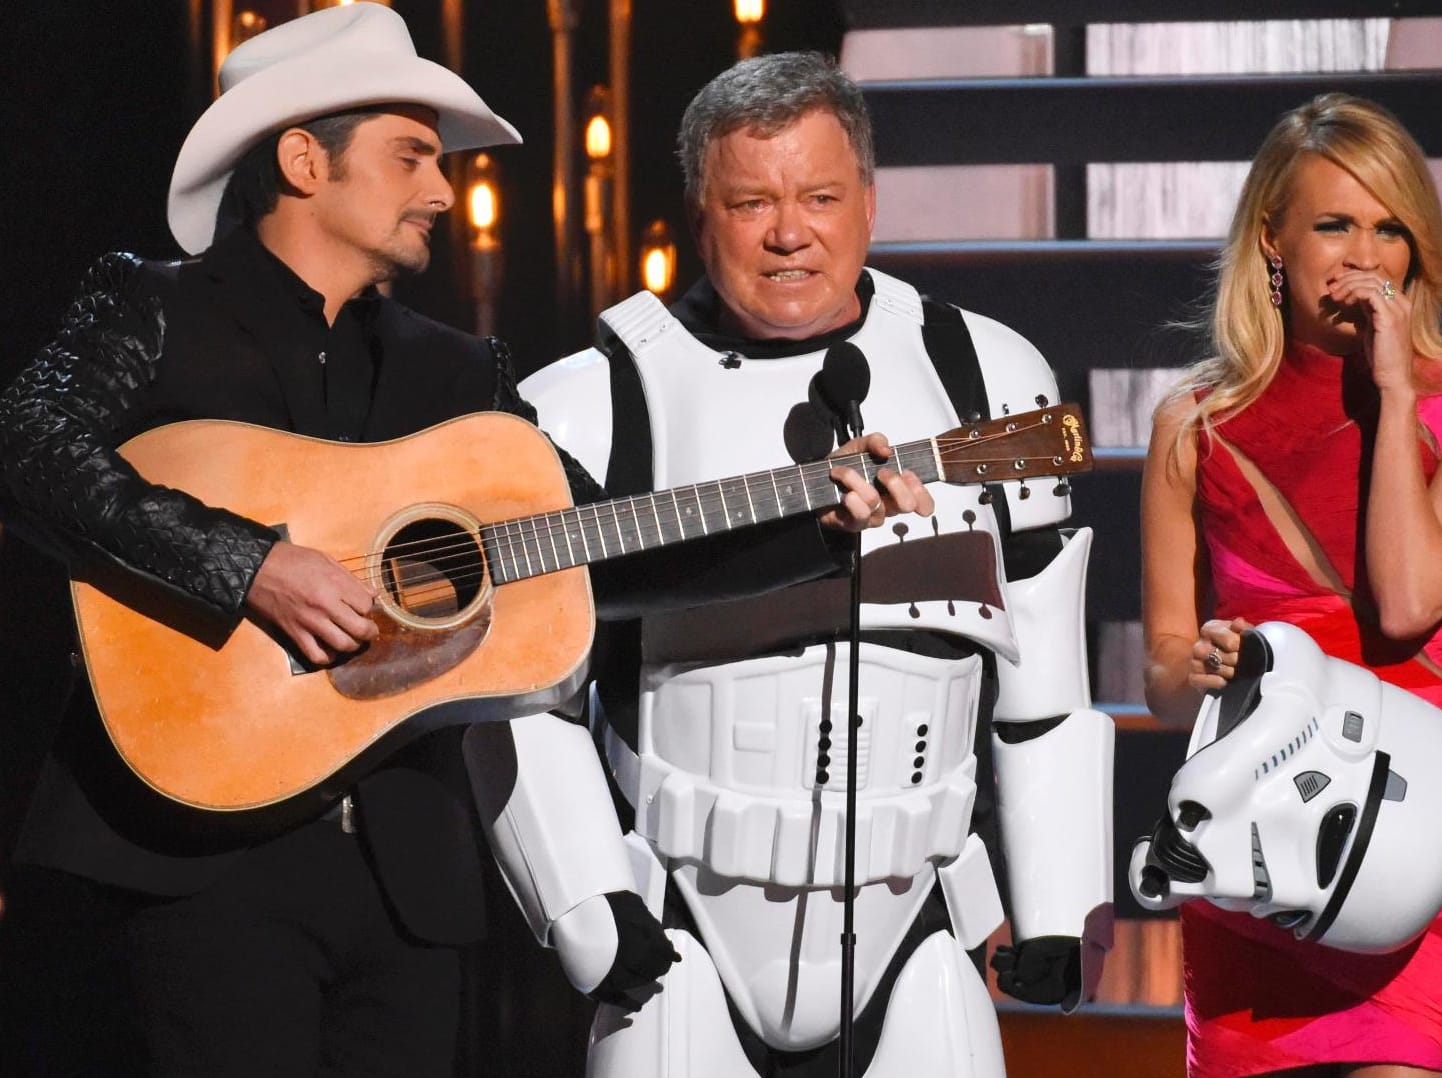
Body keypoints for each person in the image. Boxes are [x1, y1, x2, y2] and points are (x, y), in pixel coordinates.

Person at [0, 8, 924, 1076]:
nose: (443, 190)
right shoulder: (152, 307)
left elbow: (603, 551)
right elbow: (26, 447)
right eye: (412, 156)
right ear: (305, 158)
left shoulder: (461, 375)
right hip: (195, 865)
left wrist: (812, 521)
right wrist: (248, 565)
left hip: (406, 882)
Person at [470, 51, 1115, 1078]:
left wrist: (1058, 903)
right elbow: (518, 687)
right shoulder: (592, 399)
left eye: (819, 195)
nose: (789, 232)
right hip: (678, 925)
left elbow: (1042, 682)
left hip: (914, 922)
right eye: (751, 201)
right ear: (699, 212)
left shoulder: (984, 373)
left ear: (867, 198)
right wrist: (586, 902)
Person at [1141, 93, 1442, 1077]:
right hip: (1260, 848)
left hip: (1421, 848)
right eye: (1334, 224)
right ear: (1272, 238)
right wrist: (1211, 674)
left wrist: (1395, 393)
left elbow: (1404, 604)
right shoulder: (1192, 423)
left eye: (1389, 227)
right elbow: (1164, 679)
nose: (1365, 254)